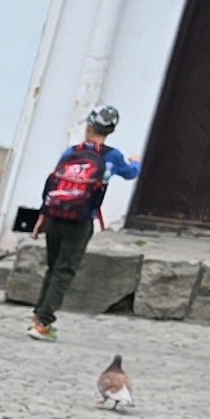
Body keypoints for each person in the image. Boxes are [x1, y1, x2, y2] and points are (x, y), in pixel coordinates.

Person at [26, 105, 141, 339]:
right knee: (65, 270)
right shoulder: (112, 156)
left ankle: (39, 316)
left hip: (56, 216)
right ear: (110, 131)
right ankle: (43, 323)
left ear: (88, 126)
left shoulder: (70, 152)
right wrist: (136, 161)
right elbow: (130, 173)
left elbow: (53, 183)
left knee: (53, 266)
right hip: (81, 220)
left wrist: (43, 214)